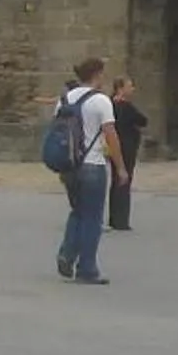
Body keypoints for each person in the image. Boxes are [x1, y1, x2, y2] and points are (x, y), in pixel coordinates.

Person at [52, 57, 124, 284]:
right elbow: (110, 134)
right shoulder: (101, 101)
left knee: (78, 211)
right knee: (92, 217)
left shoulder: (64, 99)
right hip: (93, 165)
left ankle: (67, 253)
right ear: (97, 74)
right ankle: (87, 268)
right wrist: (120, 167)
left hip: (71, 165)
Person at [106, 76, 149, 230]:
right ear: (120, 89)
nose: (132, 89)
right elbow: (143, 120)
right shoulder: (125, 106)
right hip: (127, 147)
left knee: (115, 180)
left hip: (113, 147)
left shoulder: (109, 104)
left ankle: (114, 217)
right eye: (129, 86)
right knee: (124, 180)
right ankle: (121, 220)